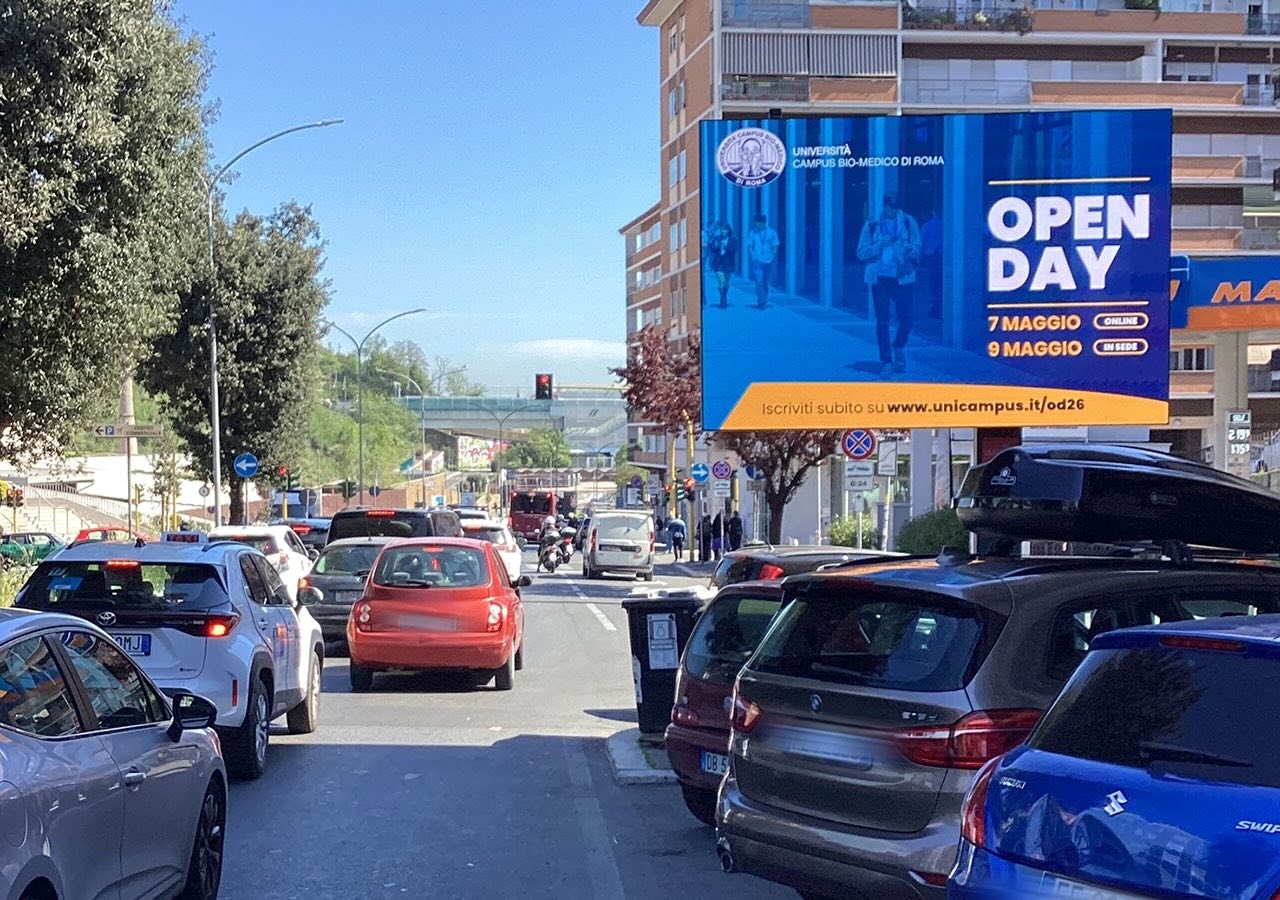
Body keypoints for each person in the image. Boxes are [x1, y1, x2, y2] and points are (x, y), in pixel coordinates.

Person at [857, 192, 921, 377]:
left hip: (903, 276)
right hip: (880, 278)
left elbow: (917, 247)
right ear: (885, 206)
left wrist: (909, 250)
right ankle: (886, 361)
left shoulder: (909, 222)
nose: (894, 211)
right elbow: (861, 252)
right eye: (891, 207)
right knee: (882, 321)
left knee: (907, 318)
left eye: (897, 207)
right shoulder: (872, 225)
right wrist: (879, 245)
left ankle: (898, 346)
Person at [747, 213, 780, 310]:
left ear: (762, 223)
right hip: (757, 260)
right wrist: (752, 255)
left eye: (756, 223)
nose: (755, 224)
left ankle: (764, 298)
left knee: (765, 281)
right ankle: (761, 300)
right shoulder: (753, 232)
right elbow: (749, 245)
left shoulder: (772, 232)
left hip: (768, 260)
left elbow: (775, 245)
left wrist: (773, 256)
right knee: (759, 280)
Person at [707, 222, 737, 308]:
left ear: (728, 230)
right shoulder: (717, 238)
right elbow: (713, 249)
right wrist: (711, 244)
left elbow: (734, 249)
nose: (723, 231)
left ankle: (724, 296)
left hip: (728, 263)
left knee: (726, 282)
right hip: (718, 263)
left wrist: (725, 247)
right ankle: (723, 298)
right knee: (721, 281)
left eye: (725, 230)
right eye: (722, 230)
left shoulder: (733, 239)